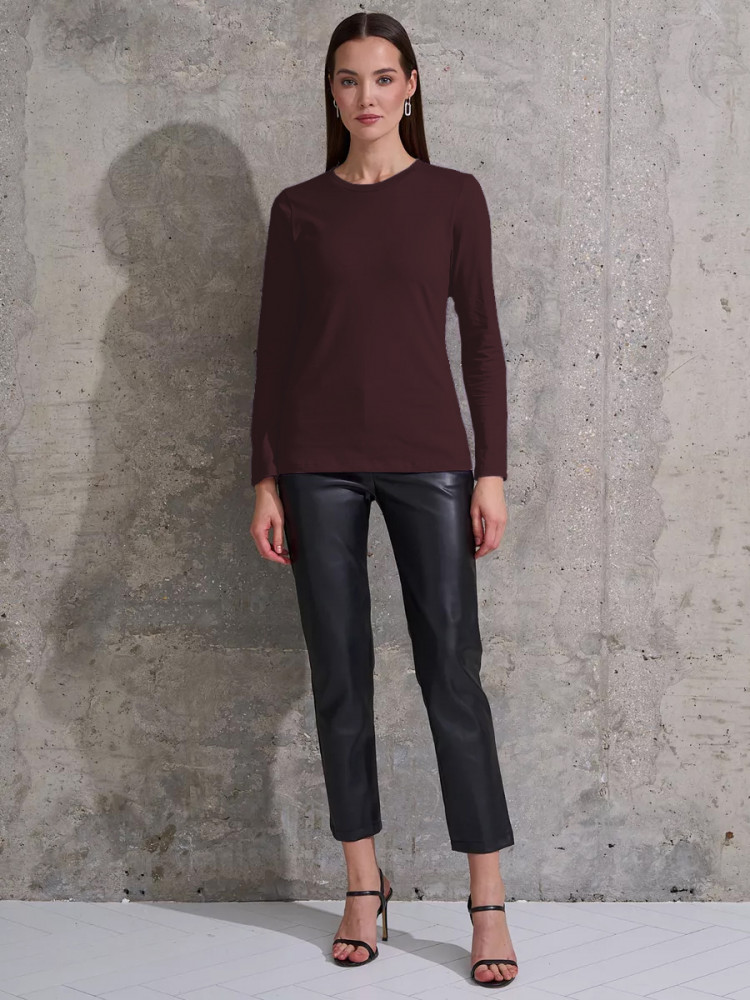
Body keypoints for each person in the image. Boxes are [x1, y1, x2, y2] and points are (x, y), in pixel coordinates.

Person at [249, 11, 518, 990]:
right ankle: (363, 882)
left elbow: (481, 339)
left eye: (382, 77)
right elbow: (274, 352)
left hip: (429, 460)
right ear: (332, 92)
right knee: (340, 674)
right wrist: (265, 477)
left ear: (410, 87)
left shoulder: (453, 197)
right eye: (347, 79)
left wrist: (490, 470)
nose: (365, 95)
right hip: (315, 463)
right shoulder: (300, 210)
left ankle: (487, 896)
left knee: (452, 673)